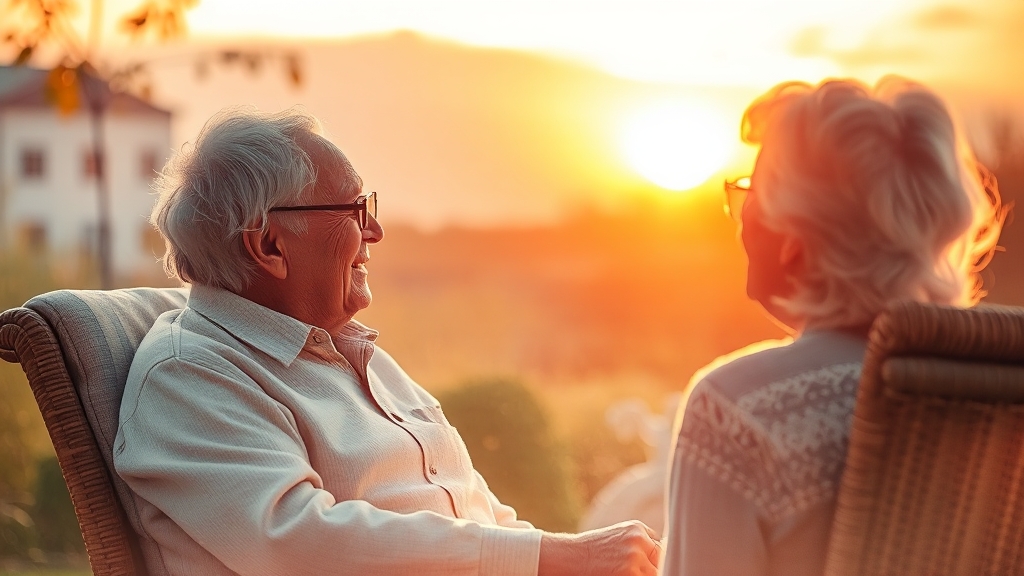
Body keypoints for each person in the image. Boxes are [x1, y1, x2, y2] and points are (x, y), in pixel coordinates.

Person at [113, 107, 661, 576]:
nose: (374, 232)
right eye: (355, 211)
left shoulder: (348, 353)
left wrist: (571, 559)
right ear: (269, 245)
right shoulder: (189, 377)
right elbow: (304, 545)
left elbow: (476, 510)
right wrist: (550, 558)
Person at [661, 77, 1005, 576]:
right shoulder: (992, 393)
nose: (741, 217)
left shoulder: (737, 416)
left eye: (752, 192)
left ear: (793, 237)